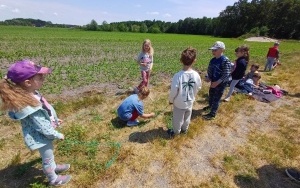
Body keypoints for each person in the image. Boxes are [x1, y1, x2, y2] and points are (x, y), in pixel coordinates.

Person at [0, 60, 71, 186]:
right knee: (47, 158)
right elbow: (42, 126)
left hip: (44, 134)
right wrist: (57, 135)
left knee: (49, 153)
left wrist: (54, 119)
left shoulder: (31, 94)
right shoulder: (28, 104)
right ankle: (53, 178)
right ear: (28, 82)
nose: (43, 78)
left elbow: (45, 110)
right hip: (41, 137)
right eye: (40, 77)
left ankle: (54, 166)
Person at [167, 47, 201, 137]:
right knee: (187, 117)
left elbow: (174, 90)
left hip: (179, 103)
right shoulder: (196, 75)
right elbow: (198, 87)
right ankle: (184, 130)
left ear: (181, 61)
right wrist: (193, 96)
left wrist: (171, 100)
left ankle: (176, 132)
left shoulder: (178, 76)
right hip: (190, 102)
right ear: (194, 61)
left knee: (177, 119)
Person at [202, 41, 232, 120]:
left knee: (217, 97)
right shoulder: (213, 60)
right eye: (213, 50)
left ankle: (212, 113)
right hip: (213, 81)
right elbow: (209, 70)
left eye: (215, 50)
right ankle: (210, 106)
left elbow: (226, 74)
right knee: (211, 94)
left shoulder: (225, 60)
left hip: (221, 83)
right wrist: (208, 77)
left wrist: (217, 82)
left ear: (222, 50)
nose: (213, 51)